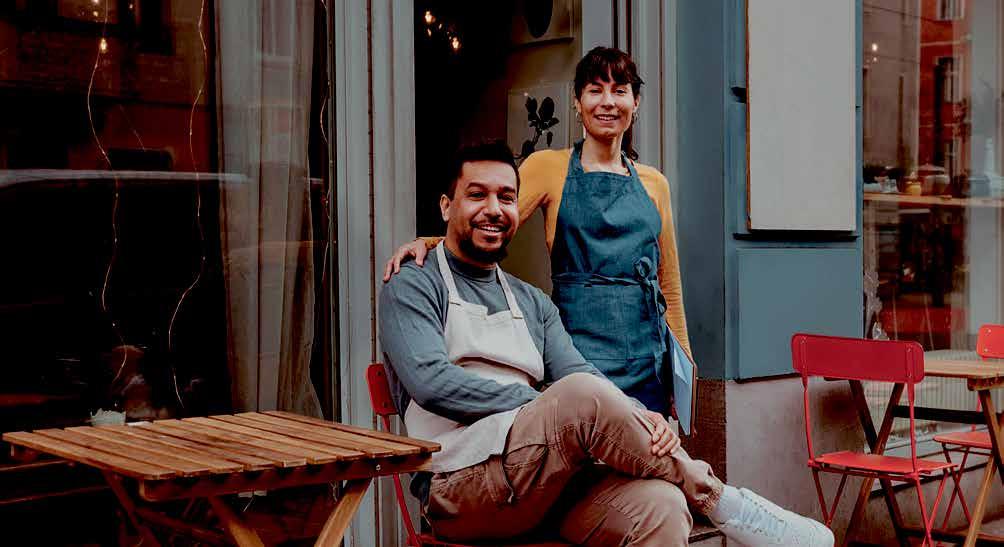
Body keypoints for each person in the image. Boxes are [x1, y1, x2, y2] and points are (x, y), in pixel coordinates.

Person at [378, 141, 833, 546]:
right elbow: (432, 383)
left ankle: (701, 495)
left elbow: (581, 373)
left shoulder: (530, 301)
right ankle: (717, 497)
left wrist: (640, 415)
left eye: (507, 197)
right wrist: (543, 406)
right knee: (579, 397)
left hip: (541, 480)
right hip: (459, 486)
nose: (494, 208)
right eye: (477, 195)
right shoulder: (414, 283)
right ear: (446, 206)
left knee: (662, 507)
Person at [385, 47, 694, 416]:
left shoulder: (655, 183)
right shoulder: (548, 167)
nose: (608, 102)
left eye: (619, 90)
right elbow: (493, 220)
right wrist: (430, 243)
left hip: (648, 358)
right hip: (577, 354)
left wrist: (683, 374)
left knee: (649, 443)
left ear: (636, 102)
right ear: (577, 102)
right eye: (595, 90)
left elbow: (669, 283)